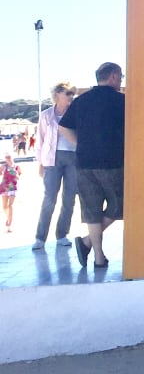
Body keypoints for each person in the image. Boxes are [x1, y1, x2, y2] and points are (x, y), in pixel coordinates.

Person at [59, 62, 125, 268]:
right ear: (113, 76)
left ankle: (97, 256)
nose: (121, 81)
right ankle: (87, 244)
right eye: (120, 77)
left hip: (84, 163)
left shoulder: (81, 100)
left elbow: (63, 127)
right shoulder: (121, 101)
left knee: (91, 211)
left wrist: (80, 144)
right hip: (112, 162)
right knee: (121, 204)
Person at [32, 81, 79, 250]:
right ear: (57, 94)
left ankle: (62, 235)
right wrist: (40, 163)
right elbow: (40, 140)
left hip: (73, 158)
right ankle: (40, 237)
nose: (70, 97)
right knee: (49, 197)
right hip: (52, 159)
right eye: (68, 93)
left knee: (69, 198)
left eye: (72, 94)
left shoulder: (76, 113)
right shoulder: (46, 115)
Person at [2, 152, 20, 232]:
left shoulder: (16, 166)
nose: (8, 159)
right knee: (4, 207)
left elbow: (19, 176)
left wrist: (15, 174)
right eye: (6, 157)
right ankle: (8, 217)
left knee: (10, 205)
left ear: (12, 157)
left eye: (9, 157)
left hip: (12, 187)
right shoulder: (3, 166)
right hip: (4, 187)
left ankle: (9, 224)